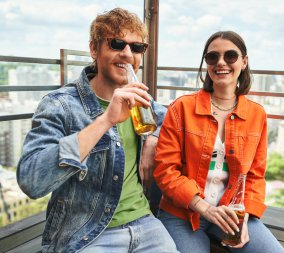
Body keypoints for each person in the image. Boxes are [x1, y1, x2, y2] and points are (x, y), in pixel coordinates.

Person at [17, 8, 178, 253]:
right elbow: (32, 180)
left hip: (145, 223)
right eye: (116, 44)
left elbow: (168, 116)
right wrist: (105, 121)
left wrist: (154, 138)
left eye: (136, 48)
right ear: (94, 49)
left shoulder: (141, 100)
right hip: (87, 232)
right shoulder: (60, 105)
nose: (127, 54)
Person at [154, 31, 284, 253]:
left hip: (230, 213)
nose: (221, 63)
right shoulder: (181, 108)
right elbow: (165, 170)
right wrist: (204, 208)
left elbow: (255, 176)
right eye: (212, 57)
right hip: (182, 214)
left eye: (230, 56)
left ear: (244, 62)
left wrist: (243, 220)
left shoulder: (256, 115)